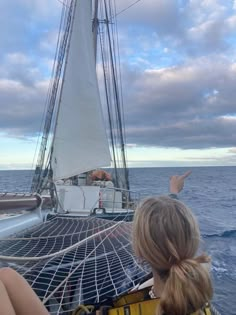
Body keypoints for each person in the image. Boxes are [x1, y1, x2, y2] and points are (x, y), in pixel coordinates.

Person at [132, 171, 214, 315]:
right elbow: (172, 225)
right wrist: (174, 193)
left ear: (140, 251)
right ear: (192, 244)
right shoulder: (199, 304)